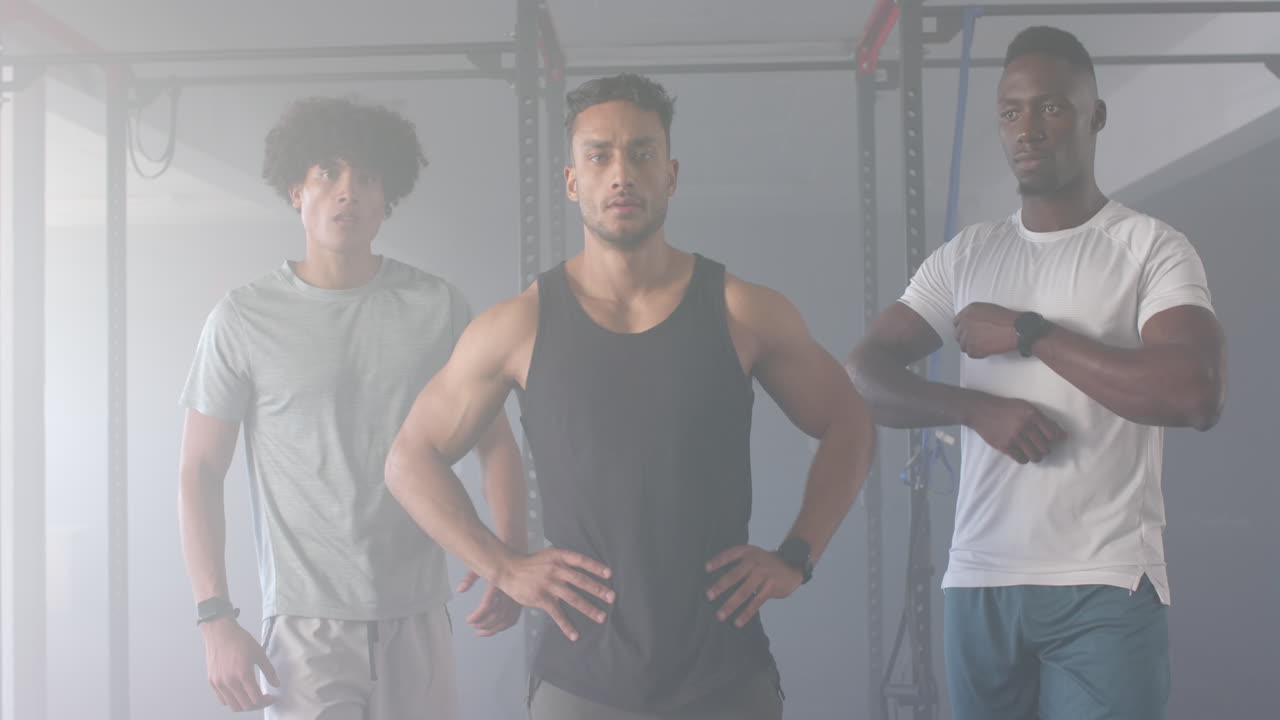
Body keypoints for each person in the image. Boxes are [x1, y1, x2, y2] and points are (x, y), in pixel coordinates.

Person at [384, 73, 875, 719]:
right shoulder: (518, 326)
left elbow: (850, 422)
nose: (622, 173)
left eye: (641, 153)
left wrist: (797, 557)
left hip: (724, 677)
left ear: (671, 175)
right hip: (580, 684)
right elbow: (408, 459)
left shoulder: (742, 310)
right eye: (600, 155)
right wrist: (502, 566)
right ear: (572, 181)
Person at [848, 26, 1227, 720]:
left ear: (1095, 116)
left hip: (1103, 583)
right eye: (1011, 111)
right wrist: (974, 409)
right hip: (981, 582)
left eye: (1051, 108)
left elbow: (1194, 392)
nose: (1028, 129)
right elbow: (865, 373)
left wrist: (1030, 334)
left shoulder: (1148, 248)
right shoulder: (968, 256)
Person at [177, 96, 525, 719]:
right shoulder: (243, 317)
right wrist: (214, 618)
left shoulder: (436, 306)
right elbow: (199, 470)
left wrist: (509, 553)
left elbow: (495, 440)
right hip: (306, 627)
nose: (348, 192)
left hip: (418, 612)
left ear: (386, 198)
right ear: (296, 192)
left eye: (366, 178)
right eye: (328, 174)